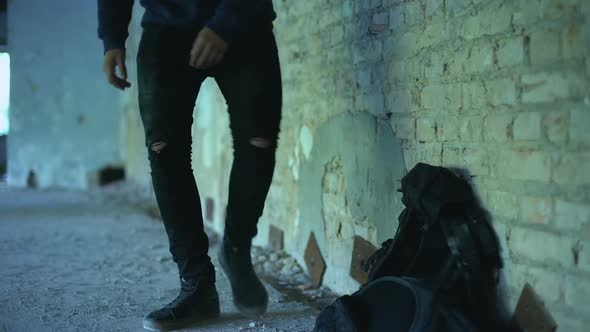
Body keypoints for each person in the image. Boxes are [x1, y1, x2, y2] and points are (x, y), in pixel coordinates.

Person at [97, 1, 282, 330]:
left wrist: (226, 22)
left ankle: (236, 249)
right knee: (164, 150)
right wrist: (112, 37)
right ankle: (196, 285)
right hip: (166, 26)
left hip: (245, 21)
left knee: (259, 141)